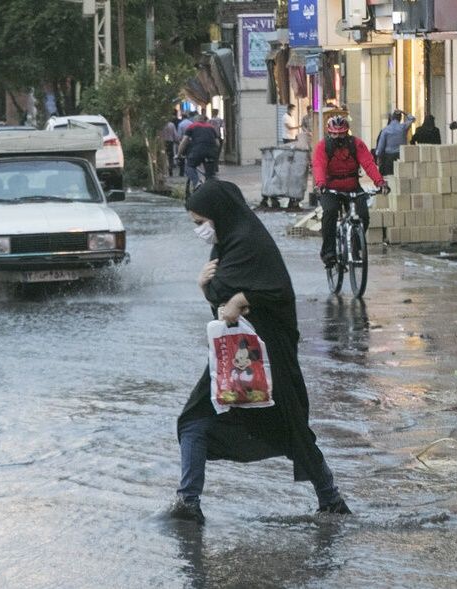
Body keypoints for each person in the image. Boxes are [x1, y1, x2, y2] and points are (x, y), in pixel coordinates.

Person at [170, 179, 352, 525]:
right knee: (194, 420)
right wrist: (205, 286)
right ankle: (188, 502)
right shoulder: (224, 248)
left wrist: (243, 298)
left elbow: (276, 289)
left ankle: (331, 499)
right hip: (233, 359)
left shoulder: (252, 243)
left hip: (271, 359)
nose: (200, 230)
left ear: (219, 215)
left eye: (200, 222)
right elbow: (221, 309)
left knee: (292, 428)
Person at [312, 115, 387, 268]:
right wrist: (320, 184)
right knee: (330, 212)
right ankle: (328, 252)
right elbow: (319, 165)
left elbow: (368, 163)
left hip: (352, 185)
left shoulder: (356, 144)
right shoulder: (323, 146)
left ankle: (355, 246)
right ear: (329, 133)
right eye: (334, 134)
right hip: (330, 187)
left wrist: (380, 182)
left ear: (347, 132)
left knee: (363, 215)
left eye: (341, 134)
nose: (338, 137)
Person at [177, 115, 221, 188]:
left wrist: (179, 154)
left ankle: (197, 183)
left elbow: (184, 142)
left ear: (195, 120)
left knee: (189, 166)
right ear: (204, 120)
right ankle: (211, 187)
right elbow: (217, 143)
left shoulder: (192, 126)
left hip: (198, 150)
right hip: (211, 151)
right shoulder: (211, 127)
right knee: (210, 174)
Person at [374, 110, 416, 176]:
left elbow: (380, 147)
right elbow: (412, 119)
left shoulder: (385, 130)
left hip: (389, 158)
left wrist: (378, 157)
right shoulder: (403, 127)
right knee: (400, 179)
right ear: (400, 118)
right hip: (401, 157)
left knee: (389, 179)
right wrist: (403, 112)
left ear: (391, 118)